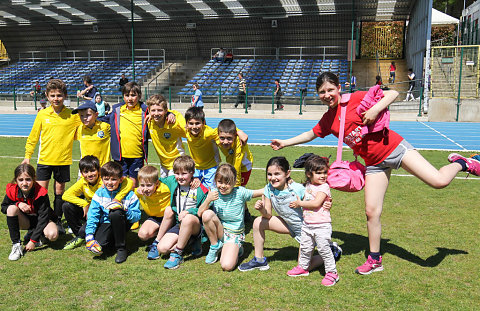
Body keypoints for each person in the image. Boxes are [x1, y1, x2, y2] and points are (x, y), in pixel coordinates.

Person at [270, 71, 480, 275]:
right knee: (372, 212)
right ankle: (374, 259)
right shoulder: (328, 119)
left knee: (439, 181)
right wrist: (285, 142)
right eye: (322, 92)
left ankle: (463, 163)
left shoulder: (355, 98)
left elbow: (392, 94)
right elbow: (310, 134)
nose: (327, 95)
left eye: (330, 90)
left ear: (339, 88)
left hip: (395, 148)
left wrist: (374, 110)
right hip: (373, 164)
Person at [238, 156, 340, 272]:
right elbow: (268, 215)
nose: (273, 178)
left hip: (306, 229)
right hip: (287, 224)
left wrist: (327, 204)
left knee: (306, 266)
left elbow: (315, 201)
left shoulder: (298, 189)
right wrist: (261, 210)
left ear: (287, 174)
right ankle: (259, 260)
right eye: (270, 174)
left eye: (277, 174)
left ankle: (331, 251)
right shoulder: (268, 189)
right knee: (258, 222)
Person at [23, 79, 81, 235]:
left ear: (65, 96)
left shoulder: (72, 115)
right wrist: (27, 156)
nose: (56, 98)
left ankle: (57, 220)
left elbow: (80, 135)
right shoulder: (42, 114)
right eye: (53, 95)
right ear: (47, 97)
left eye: (59, 95)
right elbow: (33, 137)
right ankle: (41, 221)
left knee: (59, 191)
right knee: (41, 192)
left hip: (63, 160)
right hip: (44, 160)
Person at [198, 164, 263, 271]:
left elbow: (260, 191)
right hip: (220, 231)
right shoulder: (214, 193)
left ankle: (237, 249)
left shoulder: (240, 192)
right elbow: (200, 213)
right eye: (220, 182)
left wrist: (280, 184)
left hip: (234, 234)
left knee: (226, 266)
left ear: (234, 182)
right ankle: (215, 246)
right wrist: (208, 199)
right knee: (207, 214)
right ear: (215, 181)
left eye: (227, 183)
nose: (223, 186)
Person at [286, 155, 339, 287]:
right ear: (309, 174)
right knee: (305, 248)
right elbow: (297, 186)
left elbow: (316, 203)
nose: (323, 176)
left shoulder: (324, 187)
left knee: (323, 249)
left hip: (321, 225)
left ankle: (332, 272)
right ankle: (303, 267)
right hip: (307, 224)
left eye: (325, 172)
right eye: (319, 173)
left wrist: (299, 203)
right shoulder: (309, 185)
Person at [62, 155, 132, 250]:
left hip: (103, 212)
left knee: (101, 240)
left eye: (92, 171)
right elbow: (65, 195)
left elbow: (129, 182)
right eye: (86, 172)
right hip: (91, 211)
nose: (89, 174)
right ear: (82, 173)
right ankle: (80, 236)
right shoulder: (82, 182)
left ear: (99, 171)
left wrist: (117, 199)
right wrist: (84, 204)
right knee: (66, 206)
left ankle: (86, 235)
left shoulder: (104, 180)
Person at [157, 155, 209, 269]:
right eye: (177, 173)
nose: (180, 177)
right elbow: (157, 180)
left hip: (195, 225)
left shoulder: (200, 188)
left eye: (184, 173)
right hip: (179, 224)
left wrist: (189, 211)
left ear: (192, 173)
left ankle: (178, 253)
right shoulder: (173, 181)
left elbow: (204, 209)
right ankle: (189, 241)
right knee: (162, 249)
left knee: (188, 218)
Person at [84, 161, 141, 264]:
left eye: (114, 179)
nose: (109, 182)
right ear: (101, 179)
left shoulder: (130, 195)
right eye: (106, 179)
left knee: (115, 213)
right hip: (106, 223)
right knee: (100, 244)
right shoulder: (99, 193)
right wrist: (89, 235)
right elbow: (93, 215)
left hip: (122, 222)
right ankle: (112, 242)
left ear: (120, 179)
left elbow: (137, 216)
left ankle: (121, 248)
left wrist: (124, 209)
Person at [2, 164, 58, 261]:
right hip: (26, 221)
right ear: (16, 180)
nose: (24, 183)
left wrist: (33, 241)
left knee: (53, 235)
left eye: (28, 179)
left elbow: (43, 218)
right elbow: (3, 207)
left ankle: (37, 235)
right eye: (21, 180)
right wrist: (18, 204)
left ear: (34, 179)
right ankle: (16, 245)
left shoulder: (41, 193)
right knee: (11, 209)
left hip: (42, 221)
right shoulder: (12, 190)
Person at [217, 119, 254, 221]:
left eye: (229, 138)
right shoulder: (216, 135)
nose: (225, 142)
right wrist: (239, 130)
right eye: (222, 138)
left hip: (244, 166)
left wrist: (234, 185)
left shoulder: (239, 144)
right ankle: (245, 212)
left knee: (239, 190)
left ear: (234, 136)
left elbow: (237, 166)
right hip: (231, 162)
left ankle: (241, 213)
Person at [135, 165, 173, 260]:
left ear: (156, 183)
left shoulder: (165, 189)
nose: (145, 189)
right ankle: (162, 233)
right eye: (142, 185)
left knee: (169, 211)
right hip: (155, 218)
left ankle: (157, 243)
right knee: (142, 235)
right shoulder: (139, 192)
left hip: (169, 218)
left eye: (149, 185)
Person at [146, 94, 186, 178]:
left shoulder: (174, 121)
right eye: (153, 110)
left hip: (177, 162)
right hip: (163, 163)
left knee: (172, 188)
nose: (156, 113)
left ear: (165, 111)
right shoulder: (149, 122)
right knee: (164, 188)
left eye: (159, 110)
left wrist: (171, 114)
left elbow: (190, 133)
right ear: (149, 111)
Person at [184, 107, 220, 189]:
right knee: (194, 189)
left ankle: (211, 202)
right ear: (186, 123)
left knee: (210, 189)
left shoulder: (208, 132)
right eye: (191, 123)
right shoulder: (185, 131)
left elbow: (224, 130)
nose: (194, 126)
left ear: (203, 123)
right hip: (196, 167)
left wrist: (238, 131)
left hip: (211, 166)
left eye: (197, 123)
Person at [72, 101, 111, 167]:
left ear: (96, 115)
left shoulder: (105, 127)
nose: (84, 118)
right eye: (81, 115)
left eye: (88, 115)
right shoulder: (79, 129)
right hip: (87, 169)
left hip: (104, 168)